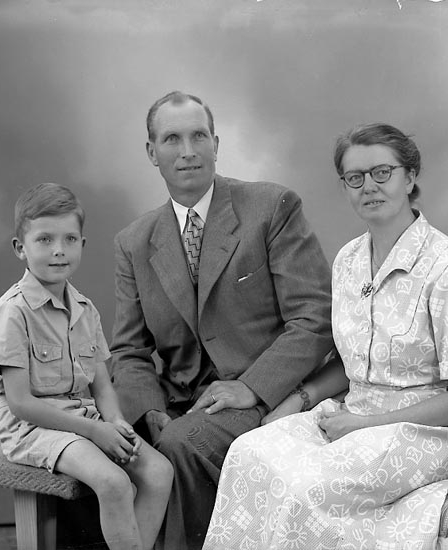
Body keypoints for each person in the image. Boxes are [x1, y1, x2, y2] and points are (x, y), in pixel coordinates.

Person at [203, 123, 448, 549]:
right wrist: (297, 400)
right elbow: (353, 363)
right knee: (247, 455)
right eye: (355, 178)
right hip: (353, 416)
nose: (369, 186)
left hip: (430, 433)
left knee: (305, 488)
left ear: (410, 177)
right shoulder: (349, 260)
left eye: (382, 172)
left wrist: (365, 425)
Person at [109, 91, 334, 549]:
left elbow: (315, 318)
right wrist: (149, 412)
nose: (187, 151)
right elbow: (129, 351)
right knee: (109, 450)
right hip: (176, 403)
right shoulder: (134, 242)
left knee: (180, 446)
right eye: (172, 139)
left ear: (216, 144)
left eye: (198, 136)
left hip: (264, 395)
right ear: (152, 152)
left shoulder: (271, 207)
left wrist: (250, 387)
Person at [0, 183, 173, 550]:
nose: (59, 250)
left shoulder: (85, 310)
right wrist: (94, 431)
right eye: (44, 240)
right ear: (20, 248)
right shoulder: (12, 313)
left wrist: (115, 422)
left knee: (159, 472)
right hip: (31, 428)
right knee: (114, 482)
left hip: (83, 419)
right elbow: (21, 403)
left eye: (70, 239)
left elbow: (102, 386)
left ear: (82, 244)